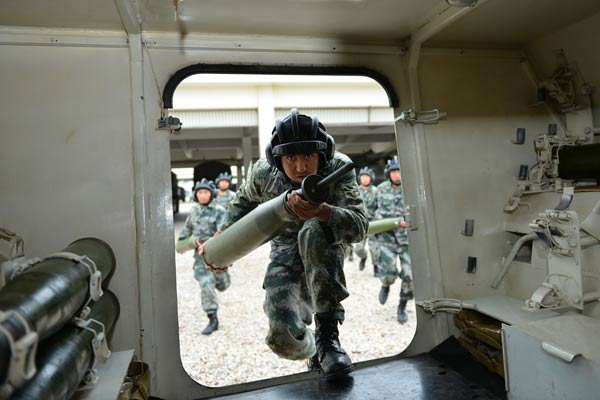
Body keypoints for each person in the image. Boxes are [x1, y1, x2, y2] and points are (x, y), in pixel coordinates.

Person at [213, 109, 367, 378]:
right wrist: (222, 243)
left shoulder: (339, 169)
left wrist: (323, 211)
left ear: (322, 154)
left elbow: (358, 227)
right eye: (290, 157)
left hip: (324, 244)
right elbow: (243, 201)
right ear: (277, 158)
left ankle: (328, 339)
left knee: (313, 230)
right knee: (283, 338)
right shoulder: (264, 173)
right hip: (284, 247)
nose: (300, 167)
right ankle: (313, 352)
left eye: (308, 155)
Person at [177, 178, 230, 335]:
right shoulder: (193, 212)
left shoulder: (220, 211)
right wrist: (192, 242)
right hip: (201, 260)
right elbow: (180, 243)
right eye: (199, 192)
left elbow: (226, 233)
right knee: (206, 285)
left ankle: (221, 281)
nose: (202, 195)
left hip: (219, 257)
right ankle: (212, 317)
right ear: (196, 195)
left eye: (206, 192)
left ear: (211, 194)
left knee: (222, 285)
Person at [374, 156, 413, 324]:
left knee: (410, 276)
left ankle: (402, 306)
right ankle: (386, 284)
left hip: (407, 238)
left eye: (399, 172)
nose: (397, 175)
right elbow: (370, 210)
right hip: (386, 236)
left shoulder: (412, 189)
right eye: (394, 172)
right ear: (388, 174)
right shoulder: (380, 189)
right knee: (388, 272)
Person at [353, 167, 379, 275]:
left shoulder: (376, 191)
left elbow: (380, 207)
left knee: (374, 248)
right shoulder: (355, 190)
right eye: (362, 177)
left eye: (367, 177)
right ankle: (363, 257)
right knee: (358, 248)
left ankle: (376, 266)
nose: (365, 179)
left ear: (371, 178)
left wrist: (378, 219)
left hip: (373, 223)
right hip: (360, 224)